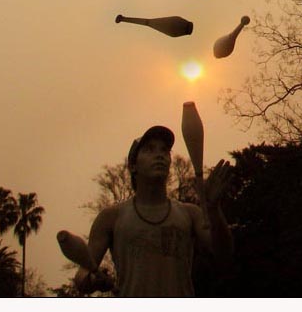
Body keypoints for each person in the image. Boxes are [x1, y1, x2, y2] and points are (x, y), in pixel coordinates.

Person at [74, 125, 233, 297]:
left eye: (165, 151)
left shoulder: (190, 213)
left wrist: (213, 209)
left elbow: (223, 255)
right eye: (149, 149)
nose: (160, 155)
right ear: (133, 166)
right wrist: (92, 280)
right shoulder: (111, 217)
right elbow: (82, 276)